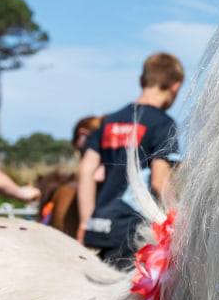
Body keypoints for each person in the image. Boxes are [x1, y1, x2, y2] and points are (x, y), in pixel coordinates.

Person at [77, 53, 182, 269]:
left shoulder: (110, 121)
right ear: (176, 87)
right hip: (134, 230)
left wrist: (85, 222)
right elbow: (158, 182)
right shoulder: (163, 124)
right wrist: (179, 221)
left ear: (141, 80)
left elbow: (86, 170)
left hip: (99, 227)